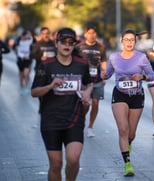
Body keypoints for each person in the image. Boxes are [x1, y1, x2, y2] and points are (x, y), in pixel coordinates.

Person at [31, 27, 93, 181]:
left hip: (74, 119)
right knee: (56, 164)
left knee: (73, 160)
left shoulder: (82, 64)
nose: (67, 46)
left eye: (71, 43)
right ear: (56, 43)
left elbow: (89, 83)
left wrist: (87, 93)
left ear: (74, 46)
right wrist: (50, 86)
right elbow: (34, 92)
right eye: (63, 42)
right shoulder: (46, 65)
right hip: (51, 120)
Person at [101, 29, 154, 176]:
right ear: (121, 41)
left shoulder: (142, 58)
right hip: (120, 95)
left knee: (131, 134)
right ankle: (128, 164)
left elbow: (152, 76)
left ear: (135, 42)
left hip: (137, 95)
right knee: (123, 130)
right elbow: (109, 73)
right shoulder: (114, 57)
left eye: (132, 40)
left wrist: (142, 77)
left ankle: (128, 142)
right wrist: (104, 75)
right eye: (126, 40)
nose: (129, 42)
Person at [74, 25, 107, 137]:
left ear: (96, 34)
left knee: (96, 103)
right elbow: (74, 62)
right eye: (89, 33)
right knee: (86, 103)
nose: (91, 35)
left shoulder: (101, 47)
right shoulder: (79, 47)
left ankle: (90, 126)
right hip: (84, 80)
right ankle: (81, 120)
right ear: (85, 34)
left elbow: (103, 61)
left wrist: (104, 73)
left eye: (93, 33)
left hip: (97, 80)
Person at [14, 30, 34, 95]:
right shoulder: (18, 40)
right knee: (21, 74)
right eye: (25, 36)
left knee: (26, 73)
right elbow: (14, 47)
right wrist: (18, 54)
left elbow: (35, 43)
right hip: (20, 59)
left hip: (27, 59)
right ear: (22, 36)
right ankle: (21, 86)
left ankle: (26, 87)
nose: (26, 37)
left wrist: (30, 35)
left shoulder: (30, 41)